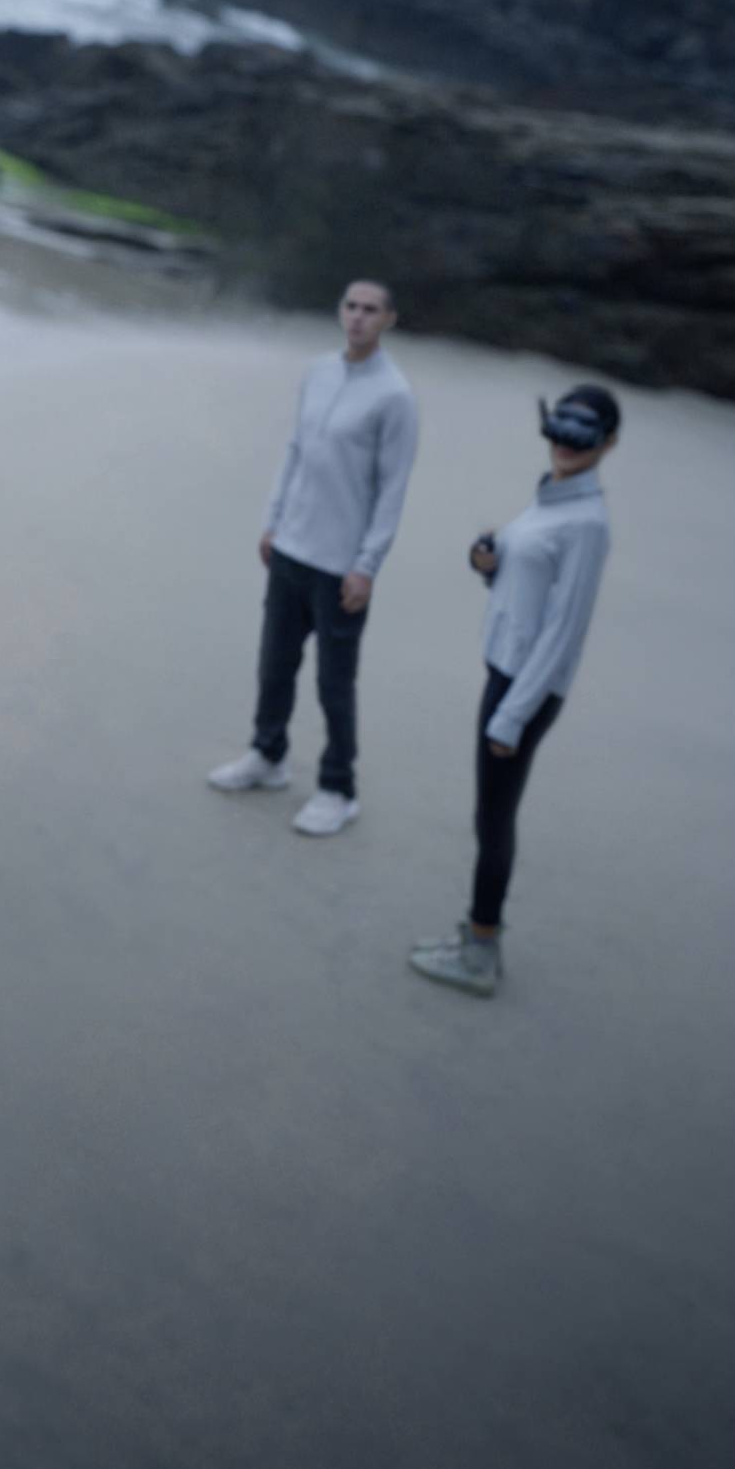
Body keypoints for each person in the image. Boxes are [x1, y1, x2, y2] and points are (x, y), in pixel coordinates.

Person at [411, 384, 618, 997]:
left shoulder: (586, 524)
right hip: (507, 671)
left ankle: (481, 952)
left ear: (607, 443)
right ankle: (478, 936)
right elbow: (530, 591)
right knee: (489, 815)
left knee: (495, 819)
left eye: (582, 435)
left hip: (524, 687)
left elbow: (564, 630)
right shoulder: (551, 498)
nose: (566, 444)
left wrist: (512, 715)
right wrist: (491, 567)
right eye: (560, 429)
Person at [206, 281, 421, 836]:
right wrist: (273, 521)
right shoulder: (319, 372)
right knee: (274, 665)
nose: (358, 317)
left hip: (340, 566)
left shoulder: (394, 396)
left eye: (370, 310)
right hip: (291, 548)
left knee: (333, 683)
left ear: (389, 320)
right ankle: (268, 755)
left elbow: (392, 489)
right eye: (351, 306)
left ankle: (338, 788)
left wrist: (367, 565)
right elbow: (296, 451)